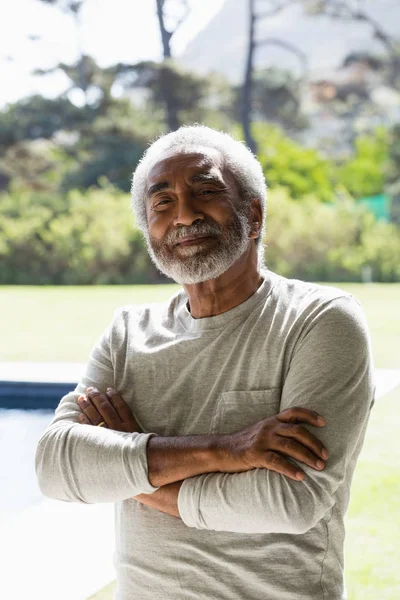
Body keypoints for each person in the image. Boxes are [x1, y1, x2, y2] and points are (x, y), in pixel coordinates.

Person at [35, 124, 375, 600]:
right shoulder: (127, 332)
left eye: (206, 191)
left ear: (252, 214)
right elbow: (57, 466)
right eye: (162, 202)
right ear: (148, 228)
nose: (185, 215)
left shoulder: (319, 321)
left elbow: (290, 500)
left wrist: (131, 468)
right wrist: (228, 450)